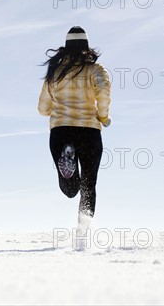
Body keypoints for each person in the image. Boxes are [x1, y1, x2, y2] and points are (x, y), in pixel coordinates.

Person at [38, 26, 111, 249]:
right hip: (89, 131)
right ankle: (83, 233)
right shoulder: (96, 70)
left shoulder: (55, 72)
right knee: (89, 183)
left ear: (66, 47)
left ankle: (67, 157)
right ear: (86, 47)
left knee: (71, 189)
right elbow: (104, 92)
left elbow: (42, 108)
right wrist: (103, 116)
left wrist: (57, 110)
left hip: (60, 131)